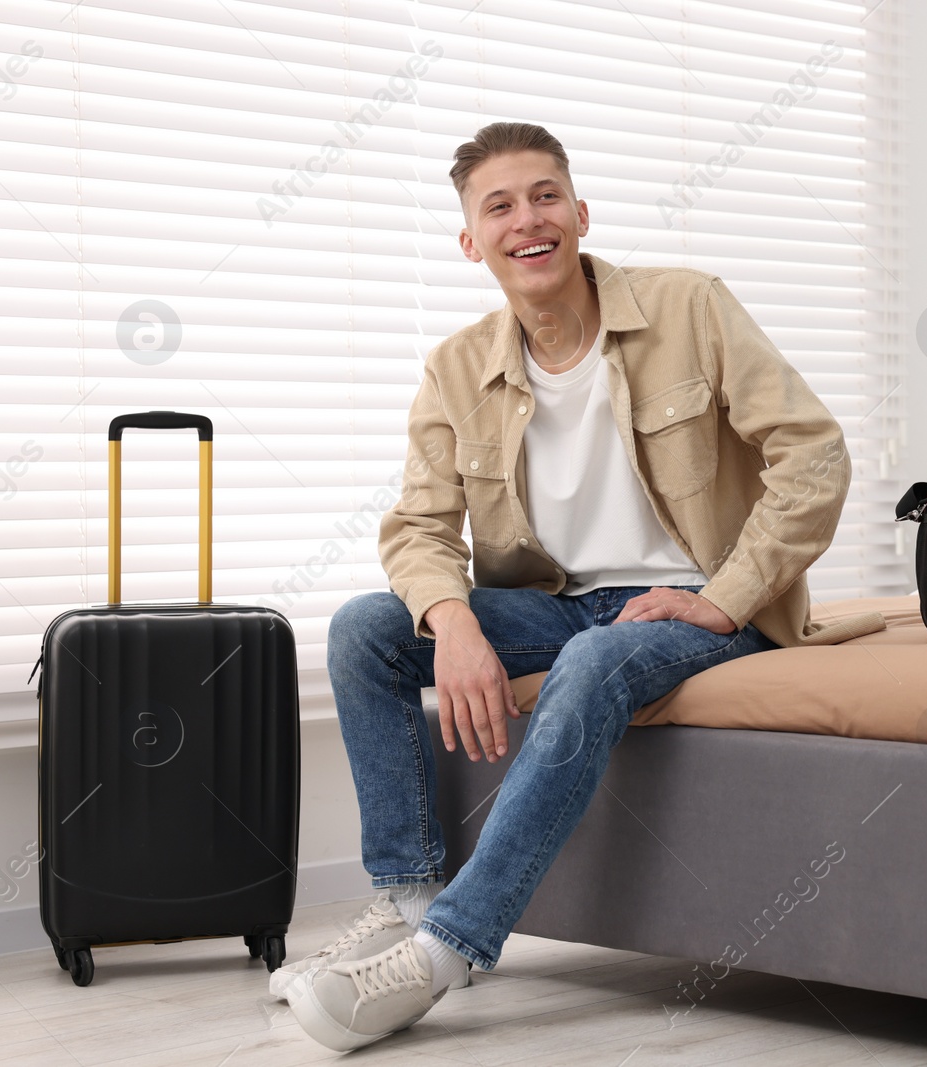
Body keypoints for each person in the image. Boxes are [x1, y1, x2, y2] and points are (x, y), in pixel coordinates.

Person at [279, 121, 884, 1051]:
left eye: (546, 195)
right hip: (555, 605)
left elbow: (814, 455)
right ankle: (407, 899)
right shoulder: (455, 368)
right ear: (472, 240)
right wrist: (455, 622)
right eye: (501, 206)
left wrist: (725, 596)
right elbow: (420, 529)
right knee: (366, 628)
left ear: (579, 211)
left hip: (699, 603)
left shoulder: (690, 307)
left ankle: (446, 952)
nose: (530, 220)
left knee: (597, 656)